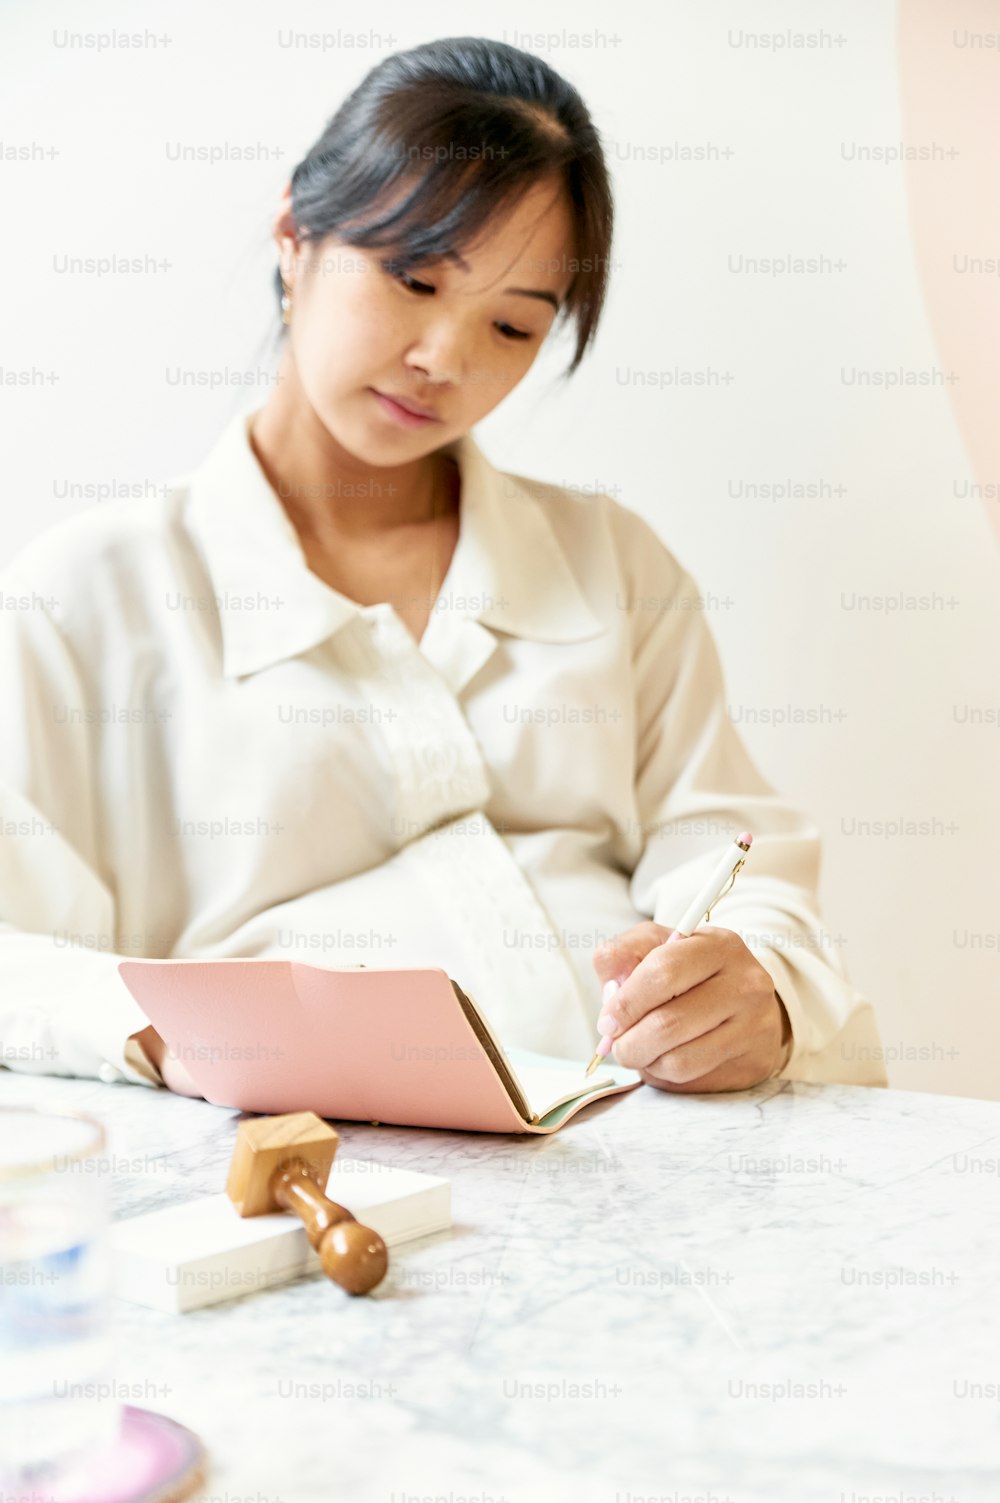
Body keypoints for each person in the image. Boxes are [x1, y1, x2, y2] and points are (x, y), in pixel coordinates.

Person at [0, 36, 886, 1099]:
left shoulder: (607, 562)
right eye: (415, 279)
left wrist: (759, 984)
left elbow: (731, 849)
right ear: (294, 232)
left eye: (513, 326)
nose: (447, 361)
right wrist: (178, 1038)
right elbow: (19, 963)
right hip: (316, 1169)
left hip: (650, 1144)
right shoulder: (85, 599)